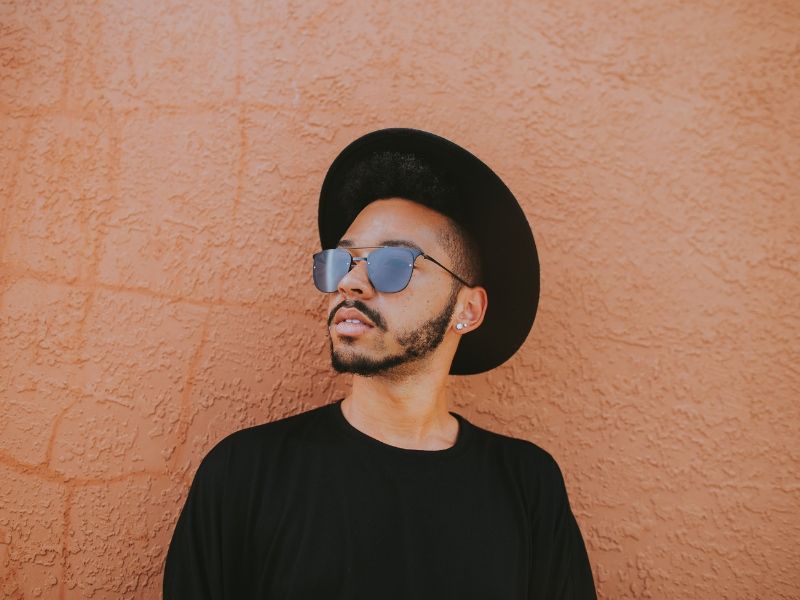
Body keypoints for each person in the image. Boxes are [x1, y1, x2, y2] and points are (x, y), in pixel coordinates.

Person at [163, 128, 597, 599]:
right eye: (342, 262)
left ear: (467, 310)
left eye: (392, 264)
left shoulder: (526, 486)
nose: (350, 283)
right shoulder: (244, 474)